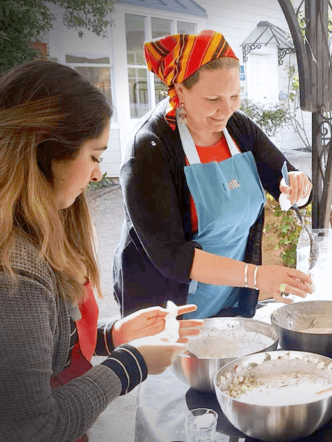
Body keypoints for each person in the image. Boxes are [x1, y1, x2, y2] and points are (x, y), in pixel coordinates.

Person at [0, 61, 202, 442]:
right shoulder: (15, 274)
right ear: (46, 152)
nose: (97, 175)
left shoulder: (41, 229)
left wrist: (114, 336)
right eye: (94, 156)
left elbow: (44, 344)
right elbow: (31, 431)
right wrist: (132, 363)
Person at [113, 30, 314, 319]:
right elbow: (172, 258)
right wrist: (257, 276)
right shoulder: (149, 149)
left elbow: (286, 178)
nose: (226, 109)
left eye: (235, 95)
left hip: (229, 297)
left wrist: (299, 186)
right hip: (165, 311)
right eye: (212, 99)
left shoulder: (239, 129)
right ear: (180, 90)